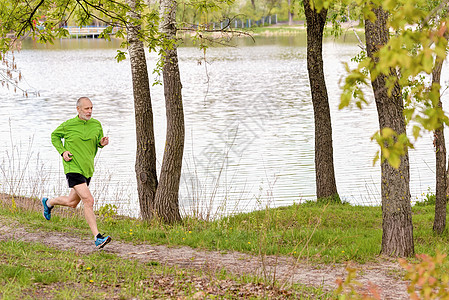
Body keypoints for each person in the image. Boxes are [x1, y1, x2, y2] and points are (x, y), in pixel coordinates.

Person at [42, 97, 111, 249]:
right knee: (89, 201)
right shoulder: (69, 125)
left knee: (72, 203)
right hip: (72, 167)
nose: (90, 111)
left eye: (91, 108)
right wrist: (63, 151)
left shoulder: (96, 124)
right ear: (78, 109)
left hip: (87, 169)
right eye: (86, 108)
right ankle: (97, 237)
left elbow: (98, 142)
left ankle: (48, 203)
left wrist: (102, 143)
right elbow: (54, 136)